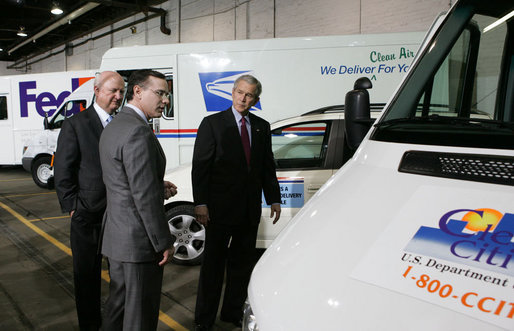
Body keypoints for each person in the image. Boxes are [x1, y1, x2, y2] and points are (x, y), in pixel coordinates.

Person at [192, 74, 282, 330]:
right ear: (232, 93)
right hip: (218, 212)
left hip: (248, 211)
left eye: (249, 94)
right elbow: (201, 167)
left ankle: (231, 312)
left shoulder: (262, 127)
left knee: (241, 267)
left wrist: (273, 197)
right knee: (213, 268)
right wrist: (201, 203)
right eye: (240, 92)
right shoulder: (212, 124)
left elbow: (266, 166)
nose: (243, 98)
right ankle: (203, 320)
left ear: (256, 99)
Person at [99, 70, 177, 330]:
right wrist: (163, 241)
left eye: (166, 94)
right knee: (140, 317)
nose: (165, 100)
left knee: (118, 309)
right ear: (138, 92)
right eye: (160, 93)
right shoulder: (138, 131)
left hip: (118, 238)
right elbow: (142, 197)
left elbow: (124, 181)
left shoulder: (115, 125)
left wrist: (156, 184)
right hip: (139, 242)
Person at [54, 70, 125, 331]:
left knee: (121, 277)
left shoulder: (121, 124)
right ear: (97, 91)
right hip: (87, 216)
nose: (118, 96)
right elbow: (62, 171)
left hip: (119, 216)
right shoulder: (76, 124)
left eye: (121, 91)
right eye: (112, 91)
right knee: (87, 279)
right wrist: (73, 208)